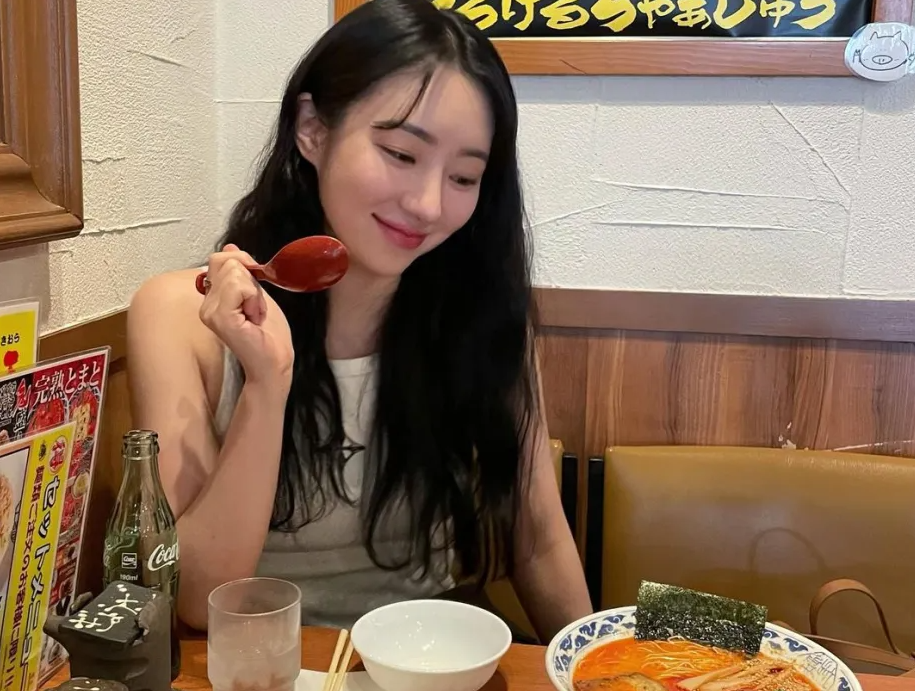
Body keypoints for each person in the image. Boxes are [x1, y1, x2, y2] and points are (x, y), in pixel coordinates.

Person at [127, 0, 591, 640]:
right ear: (313, 128)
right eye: (402, 154)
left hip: (437, 657)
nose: (428, 204)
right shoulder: (182, 316)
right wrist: (268, 382)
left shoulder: (480, 316)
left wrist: (602, 670)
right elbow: (199, 597)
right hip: (265, 664)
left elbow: (536, 541)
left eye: (463, 176)